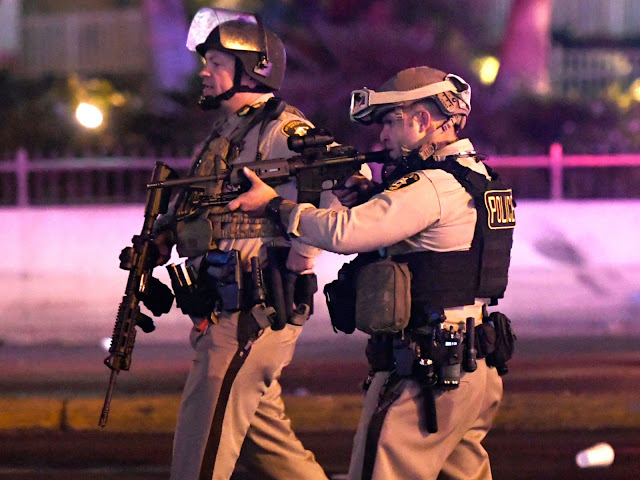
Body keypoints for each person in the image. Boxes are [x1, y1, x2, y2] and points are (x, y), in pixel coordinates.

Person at [228, 66, 517, 480]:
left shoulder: (430, 184)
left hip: (426, 372)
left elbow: (345, 232)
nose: (381, 136)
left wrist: (277, 206)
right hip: (473, 368)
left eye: (389, 121)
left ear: (422, 120)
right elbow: (433, 241)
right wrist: (373, 195)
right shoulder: (477, 177)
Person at [151, 8, 331, 480]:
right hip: (222, 310)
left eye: (216, 62)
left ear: (254, 68)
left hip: (253, 310)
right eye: (205, 61)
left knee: (200, 451)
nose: (204, 73)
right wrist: (163, 236)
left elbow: (340, 182)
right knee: (271, 453)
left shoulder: (283, 130)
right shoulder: (226, 131)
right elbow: (200, 206)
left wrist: (299, 264)